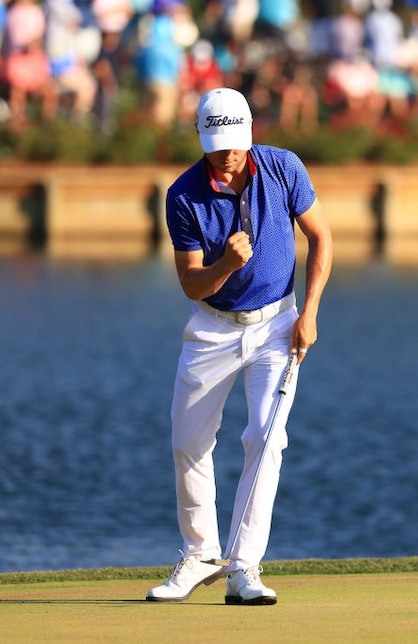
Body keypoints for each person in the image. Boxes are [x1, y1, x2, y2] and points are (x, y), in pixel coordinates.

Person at [147, 87, 333, 605]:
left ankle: (244, 568)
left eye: (236, 142)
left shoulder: (282, 167)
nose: (229, 155)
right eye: (219, 144)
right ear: (203, 140)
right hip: (212, 326)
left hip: (278, 323)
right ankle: (201, 553)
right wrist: (226, 265)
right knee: (188, 440)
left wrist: (310, 313)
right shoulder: (183, 194)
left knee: (266, 439)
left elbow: (321, 237)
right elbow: (190, 284)